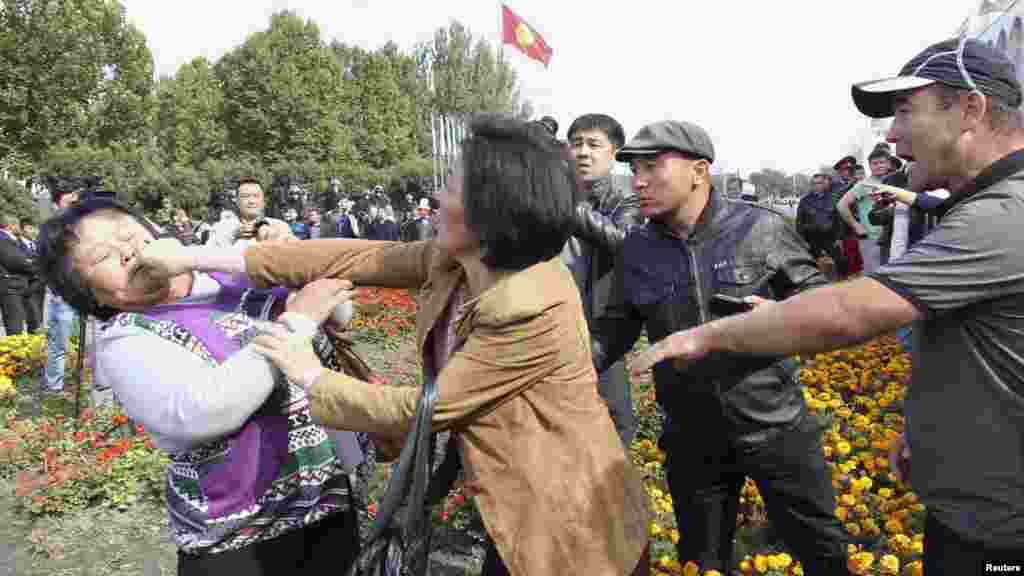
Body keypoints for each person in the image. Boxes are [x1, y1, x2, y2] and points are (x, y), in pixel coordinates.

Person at [139, 115, 651, 576]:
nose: (435, 198)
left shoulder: (531, 305)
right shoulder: (455, 260)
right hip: (513, 497)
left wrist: (307, 370)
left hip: (568, 514)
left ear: (492, 209)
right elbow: (351, 258)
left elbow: (425, 408)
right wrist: (191, 258)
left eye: (450, 186)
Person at [629, 38, 1024, 573]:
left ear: (971, 109)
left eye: (905, 110)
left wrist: (704, 334)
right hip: (974, 506)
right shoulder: (982, 205)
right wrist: (929, 431)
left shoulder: (1005, 214)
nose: (892, 134)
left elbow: (851, 310)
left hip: (1002, 532)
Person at [36, 196, 364, 575]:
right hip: (242, 539)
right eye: (102, 257)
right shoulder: (127, 338)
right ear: (87, 293)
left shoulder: (231, 275)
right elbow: (201, 413)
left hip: (326, 500)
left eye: (128, 234)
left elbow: (339, 312)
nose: (127, 251)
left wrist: (294, 261)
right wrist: (298, 321)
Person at [591, 120, 850, 573]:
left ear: (700, 171)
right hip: (693, 437)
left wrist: (782, 317)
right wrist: (558, 368)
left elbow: (821, 304)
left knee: (821, 550)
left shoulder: (761, 228)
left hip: (775, 427)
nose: (638, 182)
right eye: (634, 170)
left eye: (652, 167)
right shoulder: (637, 249)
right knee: (703, 560)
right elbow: (612, 332)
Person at [563, 113, 641, 446]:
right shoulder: (546, 197)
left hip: (600, 331)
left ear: (614, 153)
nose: (583, 152)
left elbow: (623, 240)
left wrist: (569, 206)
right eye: (576, 143)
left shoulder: (626, 200)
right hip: (552, 325)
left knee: (615, 424)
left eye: (593, 144)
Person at [837, 148, 893, 274]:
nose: (879, 166)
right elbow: (841, 205)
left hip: (892, 237)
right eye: (875, 163)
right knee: (874, 274)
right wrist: (856, 225)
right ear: (870, 166)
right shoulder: (864, 185)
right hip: (871, 237)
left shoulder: (894, 181)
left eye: (882, 162)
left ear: (888, 164)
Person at [207, 178, 294, 247]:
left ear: (263, 201)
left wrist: (273, 237)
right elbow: (209, 255)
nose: (251, 201)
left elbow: (294, 253)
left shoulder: (280, 226)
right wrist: (233, 235)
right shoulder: (222, 227)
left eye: (256, 196)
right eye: (245, 196)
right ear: (237, 201)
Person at [0, 215, 36, 335]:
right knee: (14, 326)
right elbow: (15, 261)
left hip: (18, 286)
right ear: (11, 226)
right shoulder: (3, 239)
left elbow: (23, 258)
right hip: (10, 287)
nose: (20, 228)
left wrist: (28, 261)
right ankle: (14, 347)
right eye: (18, 226)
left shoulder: (10, 239)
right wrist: (34, 266)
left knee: (22, 321)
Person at [17, 217, 43, 332]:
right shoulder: (17, 244)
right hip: (27, 285)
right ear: (22, 229)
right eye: (30, 228)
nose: (33, 231)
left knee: (38, 318)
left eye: (34, 228)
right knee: (33, 317)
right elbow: (22, 262)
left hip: (40, 286)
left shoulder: (37, 244)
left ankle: (35, 339)